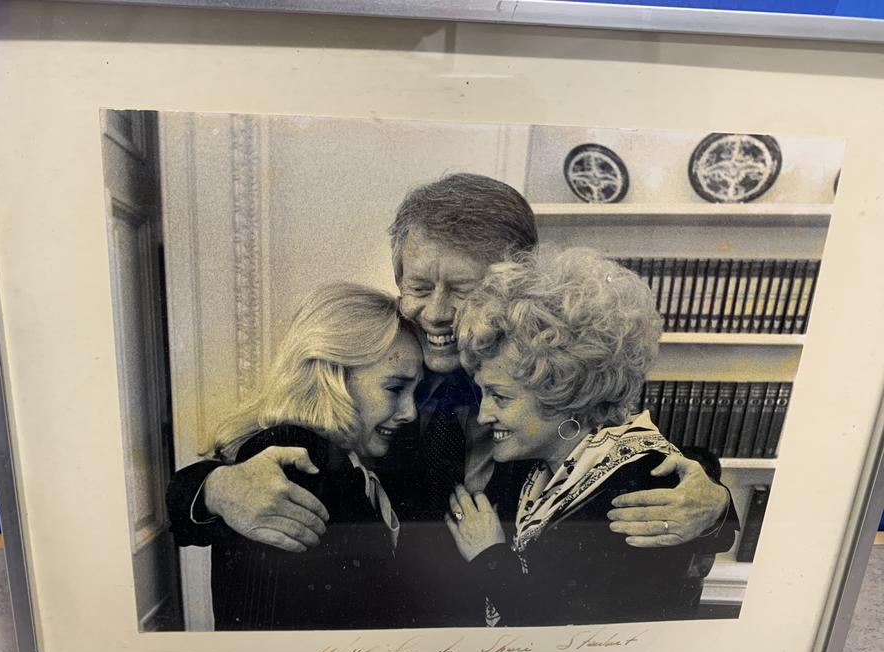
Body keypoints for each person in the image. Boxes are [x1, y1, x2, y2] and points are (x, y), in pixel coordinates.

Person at [166, 174, 736, 626]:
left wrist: (713, 505)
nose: (435, 313)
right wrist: (214, 489)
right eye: (417, 286)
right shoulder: (374, 364)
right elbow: (259, 448)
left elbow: (639, 459)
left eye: (461, 291)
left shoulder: (554, 369)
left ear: (512, 291)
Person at [447, 250, 735, 626]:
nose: (484, 414)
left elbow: (579, 644)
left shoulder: (642, 484)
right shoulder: (535, 460)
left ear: (562, 392)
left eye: (499, 397)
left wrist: (489, 556)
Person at [167, 283, 423, 628]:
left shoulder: (349, 457)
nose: (411, 412)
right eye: (395, 388)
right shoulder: (293, 454)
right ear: (332, 376)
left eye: (415, 391)